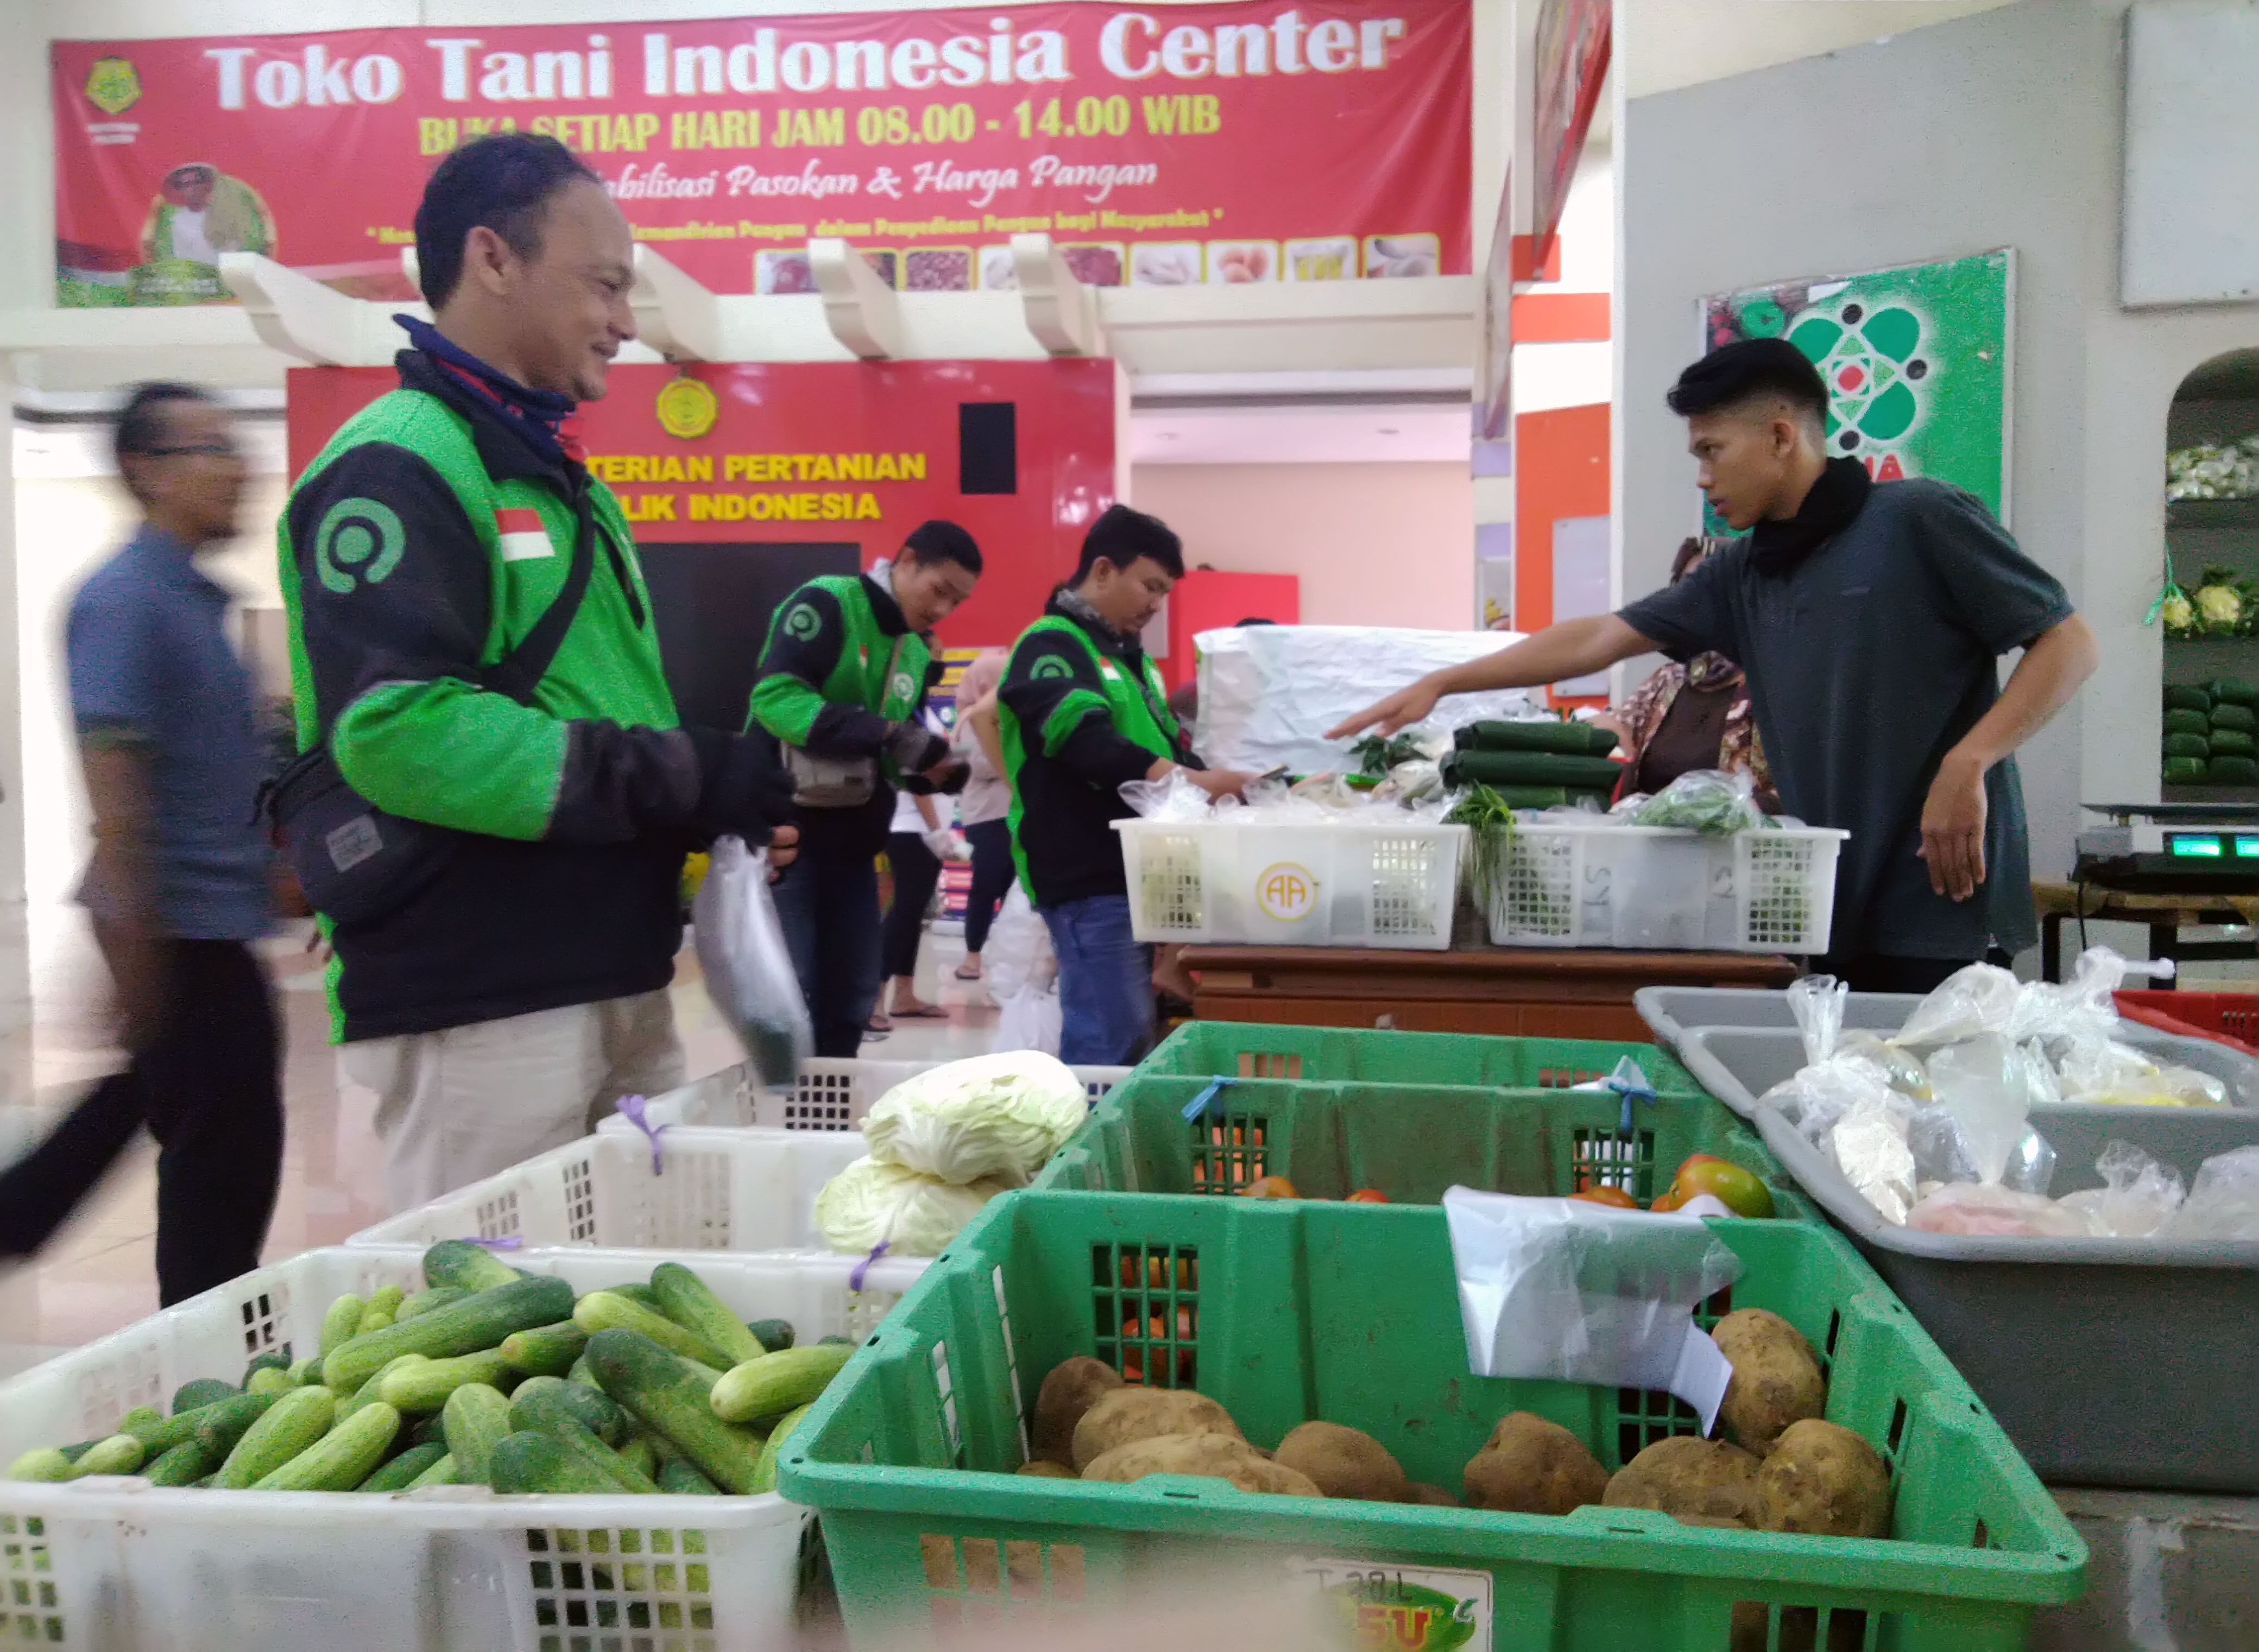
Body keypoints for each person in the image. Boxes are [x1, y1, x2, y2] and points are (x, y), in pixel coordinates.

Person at [274, 133, 797, 1211]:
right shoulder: (399, 465)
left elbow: (598, 709)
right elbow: (399, 730)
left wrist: (700, 824)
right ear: (493, 259)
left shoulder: (567, 485)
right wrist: (681, 774)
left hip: (611, 968)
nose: (624, 321)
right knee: (487, 1291)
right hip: (479, 992)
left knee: (628, 1277)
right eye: (603, 284)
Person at [1332, 338, 2098, 995]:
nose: (1701, 476)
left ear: (1779, 436)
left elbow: (2067, 644)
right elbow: (1601, 636)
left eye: (1711, 450)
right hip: (1824, 903)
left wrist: (1969, 760)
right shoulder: (1741, 572)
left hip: (1941, 895)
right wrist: (1445, 679)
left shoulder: (1918, 518)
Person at [0, 383, 282, 1303]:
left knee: (174, 1128)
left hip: (209, 928)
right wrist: (133, 944)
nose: (238, 467)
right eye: (212, 448)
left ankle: (20, 1218)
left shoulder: (190, 601)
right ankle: (208, 1355)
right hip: (181, 934)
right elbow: (114, 783)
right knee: (217, 1175)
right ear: (145, 469)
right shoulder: (125, 599)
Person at [999, 505, 1251, 1063]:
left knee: (1131, 1033)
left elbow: (1161, 748)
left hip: (1140, 874)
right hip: (1088, 876)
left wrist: (1231, 783)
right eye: (1149, 585)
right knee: (1109, 1039)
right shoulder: (1052, 646)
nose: (1156, 604)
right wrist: (1198, 782)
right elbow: (1085, 742)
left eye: (1164, 592)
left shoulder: (1130, 660)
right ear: (1103, 570)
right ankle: (1087, 1123)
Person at [749, 521, 982, 1056]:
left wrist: (929, 769)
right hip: (791, 837)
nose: (944, 608)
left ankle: (829, 1106)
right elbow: (776, 698)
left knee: (852, 995)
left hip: (855, 849)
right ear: (906, 560)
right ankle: (791, 1108)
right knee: (794, 995)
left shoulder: (915, 652)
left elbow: (888, 757)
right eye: (939, 590)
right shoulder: (828, 602)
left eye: (957, 601)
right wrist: (885, 732)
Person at [1598, 536, 1776, 810]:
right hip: (1648, 832)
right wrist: (1608, 730)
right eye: (1687, 587)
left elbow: (1795, 792)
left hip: (1736, 835)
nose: (1696, 600)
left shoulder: (1773, 685)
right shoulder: (1668, 680)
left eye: (1710, 586)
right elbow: (1614, 730)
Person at [874, 702, 964, 1030]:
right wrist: (936, 830)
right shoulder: (906, 717)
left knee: (911, 917)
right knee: (903, 915)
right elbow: (917, 781)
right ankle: (875, 1000)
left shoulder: (922, 715)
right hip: (912, 830)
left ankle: (904, 995)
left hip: (921, 831)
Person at [950, 648, 1015, 984]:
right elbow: (979, 765)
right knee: (986, 884)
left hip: (1015, 812)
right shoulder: (969, 719)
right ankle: (973, 955)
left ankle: (1011, 959)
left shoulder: (1013, 716)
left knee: (1015, 888)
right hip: (986, 816)